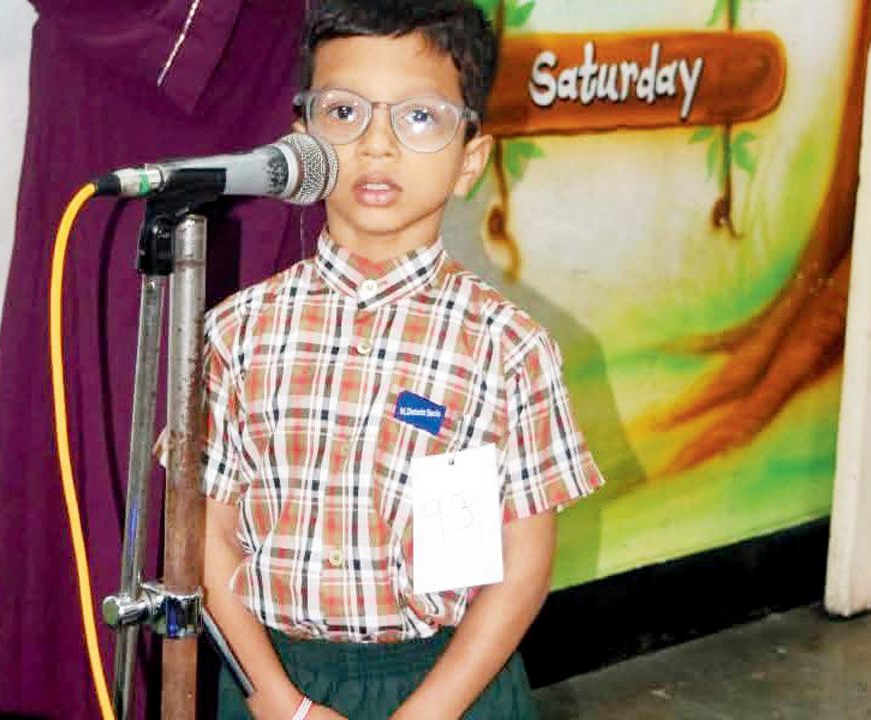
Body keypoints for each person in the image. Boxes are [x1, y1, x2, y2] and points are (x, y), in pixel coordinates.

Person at [200, 1, 605, 718]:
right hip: (272, 682)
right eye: (345, 113)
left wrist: (427, 712)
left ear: (469, 160)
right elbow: (210, 531)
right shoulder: (237, 332)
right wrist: (277, 702)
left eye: (419, 117)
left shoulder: (507, 349)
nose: (377, 145)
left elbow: (523, 565)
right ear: (303, 144)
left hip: (450, 684)